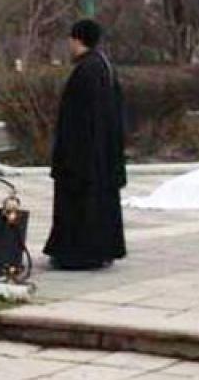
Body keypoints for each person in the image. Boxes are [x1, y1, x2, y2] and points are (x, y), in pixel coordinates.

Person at [44, 19, 127, 271]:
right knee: (99, 203)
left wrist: (65, 155)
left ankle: (78, 253)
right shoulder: (103, 67)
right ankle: (101, 250)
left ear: (77, 39)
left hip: (81, 156)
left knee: (79, 205)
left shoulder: (85, 71)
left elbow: (75, 119)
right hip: (101, 154)